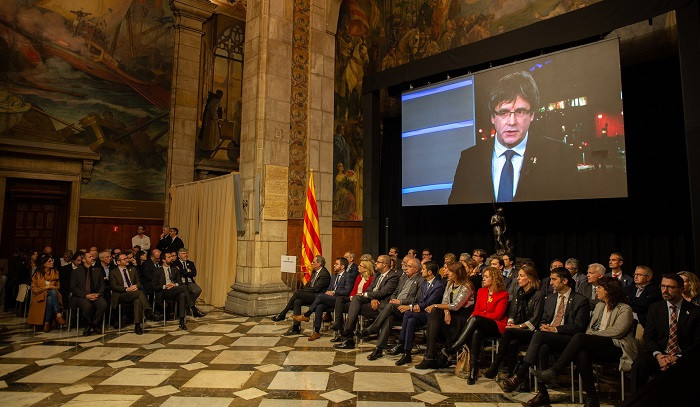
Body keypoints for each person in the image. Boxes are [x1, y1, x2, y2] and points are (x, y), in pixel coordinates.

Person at [449, 70, 579, 204]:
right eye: (503, 112)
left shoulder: (560, 154)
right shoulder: (469, 159)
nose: (511, 122)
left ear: (532, 115)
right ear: (493, 117)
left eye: (520, 112)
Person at [532, 277, 638, 407]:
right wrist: (591, 335)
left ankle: (555, 371)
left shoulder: (624, 308)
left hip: (616, 346)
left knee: (580, 337)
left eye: (599, 287)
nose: (596, 290)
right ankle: (592, 398)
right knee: (582, 354)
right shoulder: (600, 306)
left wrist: (592, 336)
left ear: (609, 291)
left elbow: (618, 331)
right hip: (597, 344)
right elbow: (590, 327)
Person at [502, 267, 591, 405]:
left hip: (569, 340)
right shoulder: (551, 298)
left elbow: (578, 327)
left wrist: (555, 328)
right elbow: (543, 319)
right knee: (542, 348)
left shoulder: (581, 300)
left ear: (565, 281)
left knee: (538, 335)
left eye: (554, 279)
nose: (551, 283)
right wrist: (545, 326)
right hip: (548, 336)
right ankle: (543, 393)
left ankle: (520, 374)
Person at [631, 274, 700, 391]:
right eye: (662, 286)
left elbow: (697, 342)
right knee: (639, 364)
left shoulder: (695, 311)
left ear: (681, 289)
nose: (665, 291)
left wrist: (677, 357)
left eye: (670, 287)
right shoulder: (655, 308)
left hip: (684, 355)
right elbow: (648, 336)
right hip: (660, 353)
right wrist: (658, 355)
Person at [446, 266, 510, 383]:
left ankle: (455, 347)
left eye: (486, 277)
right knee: (476, 332)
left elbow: (497, 315)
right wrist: (480, 315)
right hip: (481, 324)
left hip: (496, 326)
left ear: (494, 279)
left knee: (475, 319)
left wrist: (480, 315)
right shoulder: (481, 291)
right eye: (483, 276)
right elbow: (476, 310)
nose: (483, 279)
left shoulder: (503, 294)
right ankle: (473, 371)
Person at [484, 265, 545, 378]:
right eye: (518, 276)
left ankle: (495, 366)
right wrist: (511, 322)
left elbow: (536, 318)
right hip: (516, 329)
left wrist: (519, 326)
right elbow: (512, 312)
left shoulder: (538, 294)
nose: (518, 278)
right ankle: (512, 374)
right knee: (512, 342)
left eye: (521, 276)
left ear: (530, 278)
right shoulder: (519, 292)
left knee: (508, 332)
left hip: (531, 330)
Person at [361, 256, 424, 360]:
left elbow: (416, 300)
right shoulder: (403, 277)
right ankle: (378, 349)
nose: (405, 268)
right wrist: (394, 299)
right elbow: (395, 292)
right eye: (406, 266)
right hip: (395, 306)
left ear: (416, 269)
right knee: (388, 318)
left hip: (406, 308)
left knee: (389, 307)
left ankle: (372, 328)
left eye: (409, 267)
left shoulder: (421, 280)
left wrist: (400, 302)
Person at [416, 261, 475, 369]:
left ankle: (430, 355)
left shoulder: (466, 286)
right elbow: (445, 301)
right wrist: (446, 313)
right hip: (451, 313)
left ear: (457, 273)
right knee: (435, 312)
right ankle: (430, 354)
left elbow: (456, 305)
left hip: (462, 316)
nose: (446, 272)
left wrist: (436, 306)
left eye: (450, 271)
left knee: (435, 309)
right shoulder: (449, 283)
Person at [334, 254, 399, 349]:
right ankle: (348, 332)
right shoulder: (377, 275)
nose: (375, 263)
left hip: (381, 305)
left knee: (354, 306)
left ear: (385, 264)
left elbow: (383, 292)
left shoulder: (393, 277)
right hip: (371, 300)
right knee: (355, 299)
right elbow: (369, 289)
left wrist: (368, 295)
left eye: (378, 262)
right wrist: (371, 297)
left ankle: (348, 337)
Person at [389, 260, 446, 365]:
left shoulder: (438, 286)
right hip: (421, 312)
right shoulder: (425, 283)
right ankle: (407, 353)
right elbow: (421, 300)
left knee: (407, 313)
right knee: (410, 321)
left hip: (432, 315)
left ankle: (401, 342)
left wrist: (410, 307)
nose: (421, 271)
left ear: (430, 272)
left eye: (423, 269)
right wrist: (415, 307)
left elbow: (430, 302)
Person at [294, 256, 357, 341]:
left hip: (340, 300)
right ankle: (316, 332)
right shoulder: (334, 276)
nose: (334, 265)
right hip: (330, 298)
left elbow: (347, 291)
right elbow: (329, 289)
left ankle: (307, 315)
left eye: (336, 264)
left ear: (342, 267)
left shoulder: (348, 276)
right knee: (319, 306)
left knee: (320, 296)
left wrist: (334, 292)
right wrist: (329, 292)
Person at [272, 255, 330, 335]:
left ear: (319, 264)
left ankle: (283, 313)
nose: (312, 263)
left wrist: (303, 292)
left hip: (318, 297)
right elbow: (309, 284)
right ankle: (296, 328)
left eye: (314, 262)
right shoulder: (314, 272)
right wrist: (304, 291)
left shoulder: (324, 274)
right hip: (311, 294)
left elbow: (316, 289)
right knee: (297, 301)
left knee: (297, 292)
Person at [109, 253, 159, 334]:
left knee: (138, 301)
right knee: (139, 293)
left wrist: (136, 286)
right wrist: (127, 288)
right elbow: (114, 287)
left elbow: (138, 281)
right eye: (124, 259)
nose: (127, 260)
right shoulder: (113, 272)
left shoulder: (132, 269)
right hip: (121, 294)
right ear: (118, 262)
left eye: (127, 258)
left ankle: (137, 325)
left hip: (134, 293)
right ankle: (149, 311)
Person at [154, 251, 202, 330]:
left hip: (174, 290)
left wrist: (174, 284)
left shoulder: (174, 269)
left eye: (171, 257)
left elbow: (180, 282)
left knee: (182, 295)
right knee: (184, 288)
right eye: (169, 257)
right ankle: (193, 308)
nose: (171, 258)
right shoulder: (158, 271)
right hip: (164, 292)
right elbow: (154, 286)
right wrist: (165, 286)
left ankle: (182, 321)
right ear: (163, 260)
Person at [330, 257, 374, 341]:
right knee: (339, 299)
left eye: (360, 266)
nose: (358, 267)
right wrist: (351, 296)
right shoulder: (358, 277)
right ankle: (338, 324)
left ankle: (345, 332)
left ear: (365, 268)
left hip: (362, 300)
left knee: (352, 303)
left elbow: (369, 291)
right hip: (354, 298)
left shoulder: (371, 278)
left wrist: (357, 296)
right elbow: (354, 290)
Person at [70, 252, 107, 336]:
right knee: (87, 306)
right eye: (90, 257)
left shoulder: (97, 270)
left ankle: (91, 324)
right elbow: (73, 288)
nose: (92, 258)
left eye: (92, 256)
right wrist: (86, 295)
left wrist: (98, 294)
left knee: (103, 304)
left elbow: (102, 285)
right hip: (81, 296)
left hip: (95, 294)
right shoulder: (76, 272)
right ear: (83, 260)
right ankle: (91, 325)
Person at [27, 255, 65, 332]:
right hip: (40, 295)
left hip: (53, 295)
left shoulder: (55, 272)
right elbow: (34, 289)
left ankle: (47, 322)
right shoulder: (37, 274)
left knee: (50, 297)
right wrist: (46, 288)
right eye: (49, 261)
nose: (52, 262)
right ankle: (58, 314)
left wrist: (53, 288)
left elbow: (58, 286)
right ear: (44, 263)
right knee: (50, 295)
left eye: (52, 261)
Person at [173, 248, 206, 315]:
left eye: (186, 253)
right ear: (179, 256)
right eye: (184, 253)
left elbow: (194, 273)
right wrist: (187, 270)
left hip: (189, 282)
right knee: (183, 293)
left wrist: (182, 271)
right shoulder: (175, 263)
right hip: (180, 282)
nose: (186, 255)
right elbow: (176, 273)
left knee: (197, 290)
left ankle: (188, 304)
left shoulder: (190, 263)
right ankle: (192, 308)